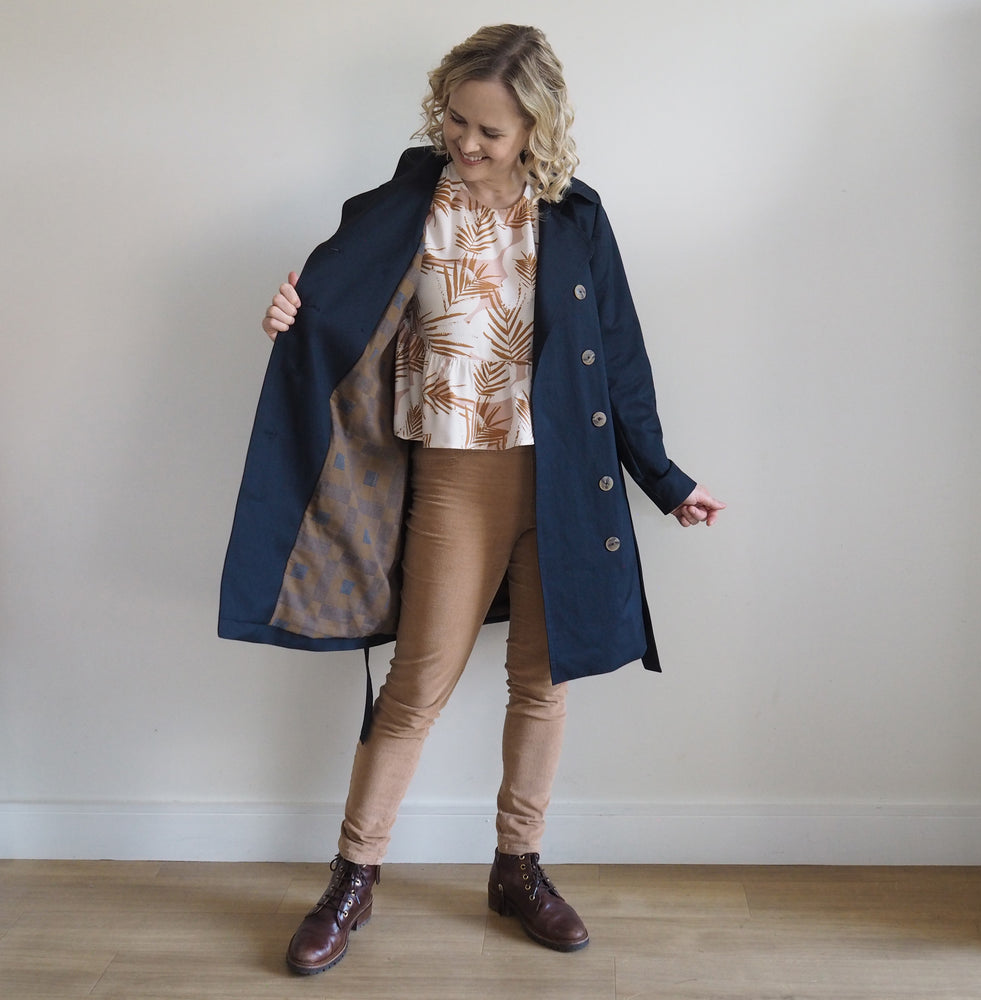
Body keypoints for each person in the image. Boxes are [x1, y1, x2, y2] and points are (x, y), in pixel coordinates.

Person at [220, 23, 724, 976]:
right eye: (457, 119)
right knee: (416, 685)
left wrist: (666, 479)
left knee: (542, 682)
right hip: (457, 477)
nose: (467, 141)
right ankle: (353, 876)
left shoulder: (574, 217)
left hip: (567, 481)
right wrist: (288, 314)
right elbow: (324, 309)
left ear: (535, 128)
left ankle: (517, 867)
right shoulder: (404, 203)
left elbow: (619, 360)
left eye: (490, 129)